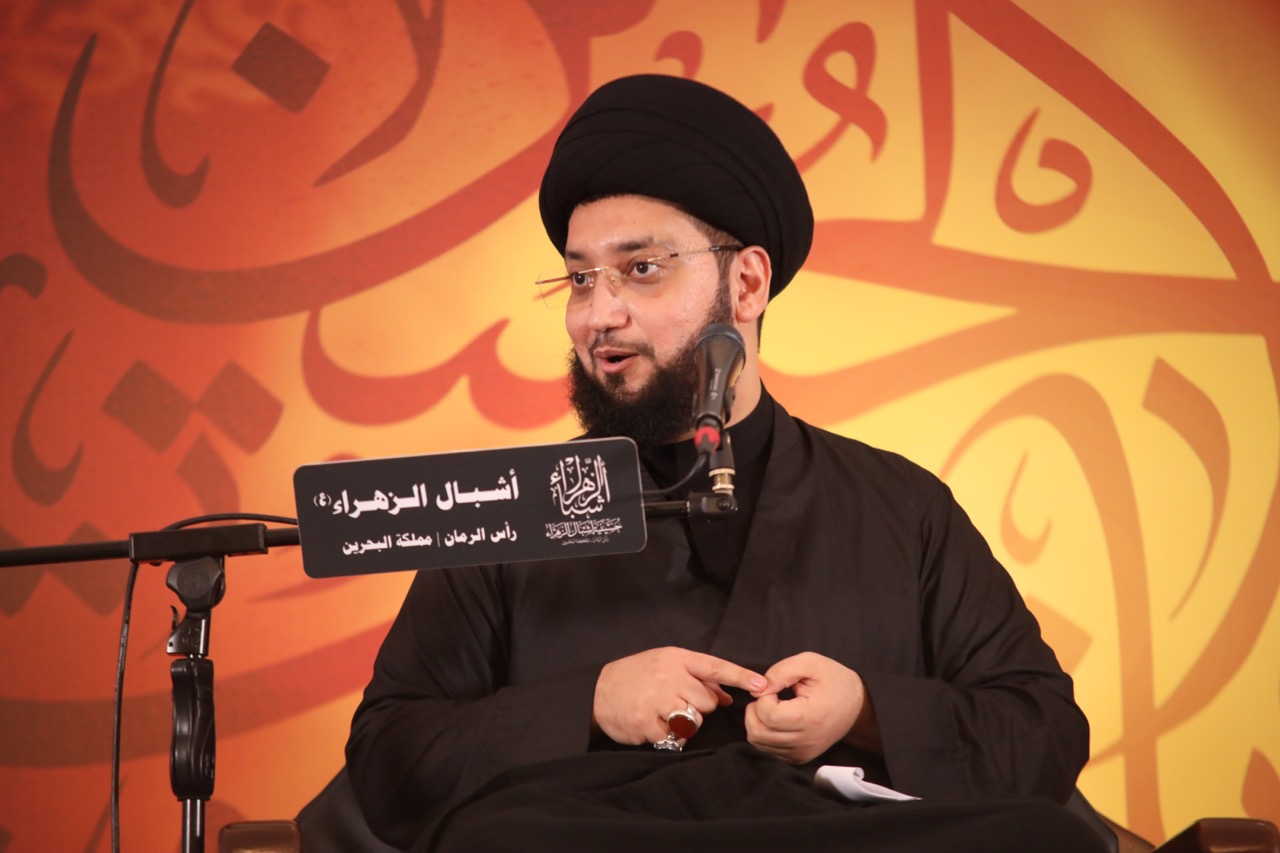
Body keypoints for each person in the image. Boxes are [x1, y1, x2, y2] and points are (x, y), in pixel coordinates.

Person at [345, 74, 1108, 853]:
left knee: (1048, 838)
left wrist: (867, 710)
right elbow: (389, 757)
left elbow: (1041, 732)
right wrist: (591, 702)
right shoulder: (509, 507)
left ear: (746, 284)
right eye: (579, 279)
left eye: (641, 268)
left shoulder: (902, 508)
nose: (598, 314)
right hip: (595, 841)